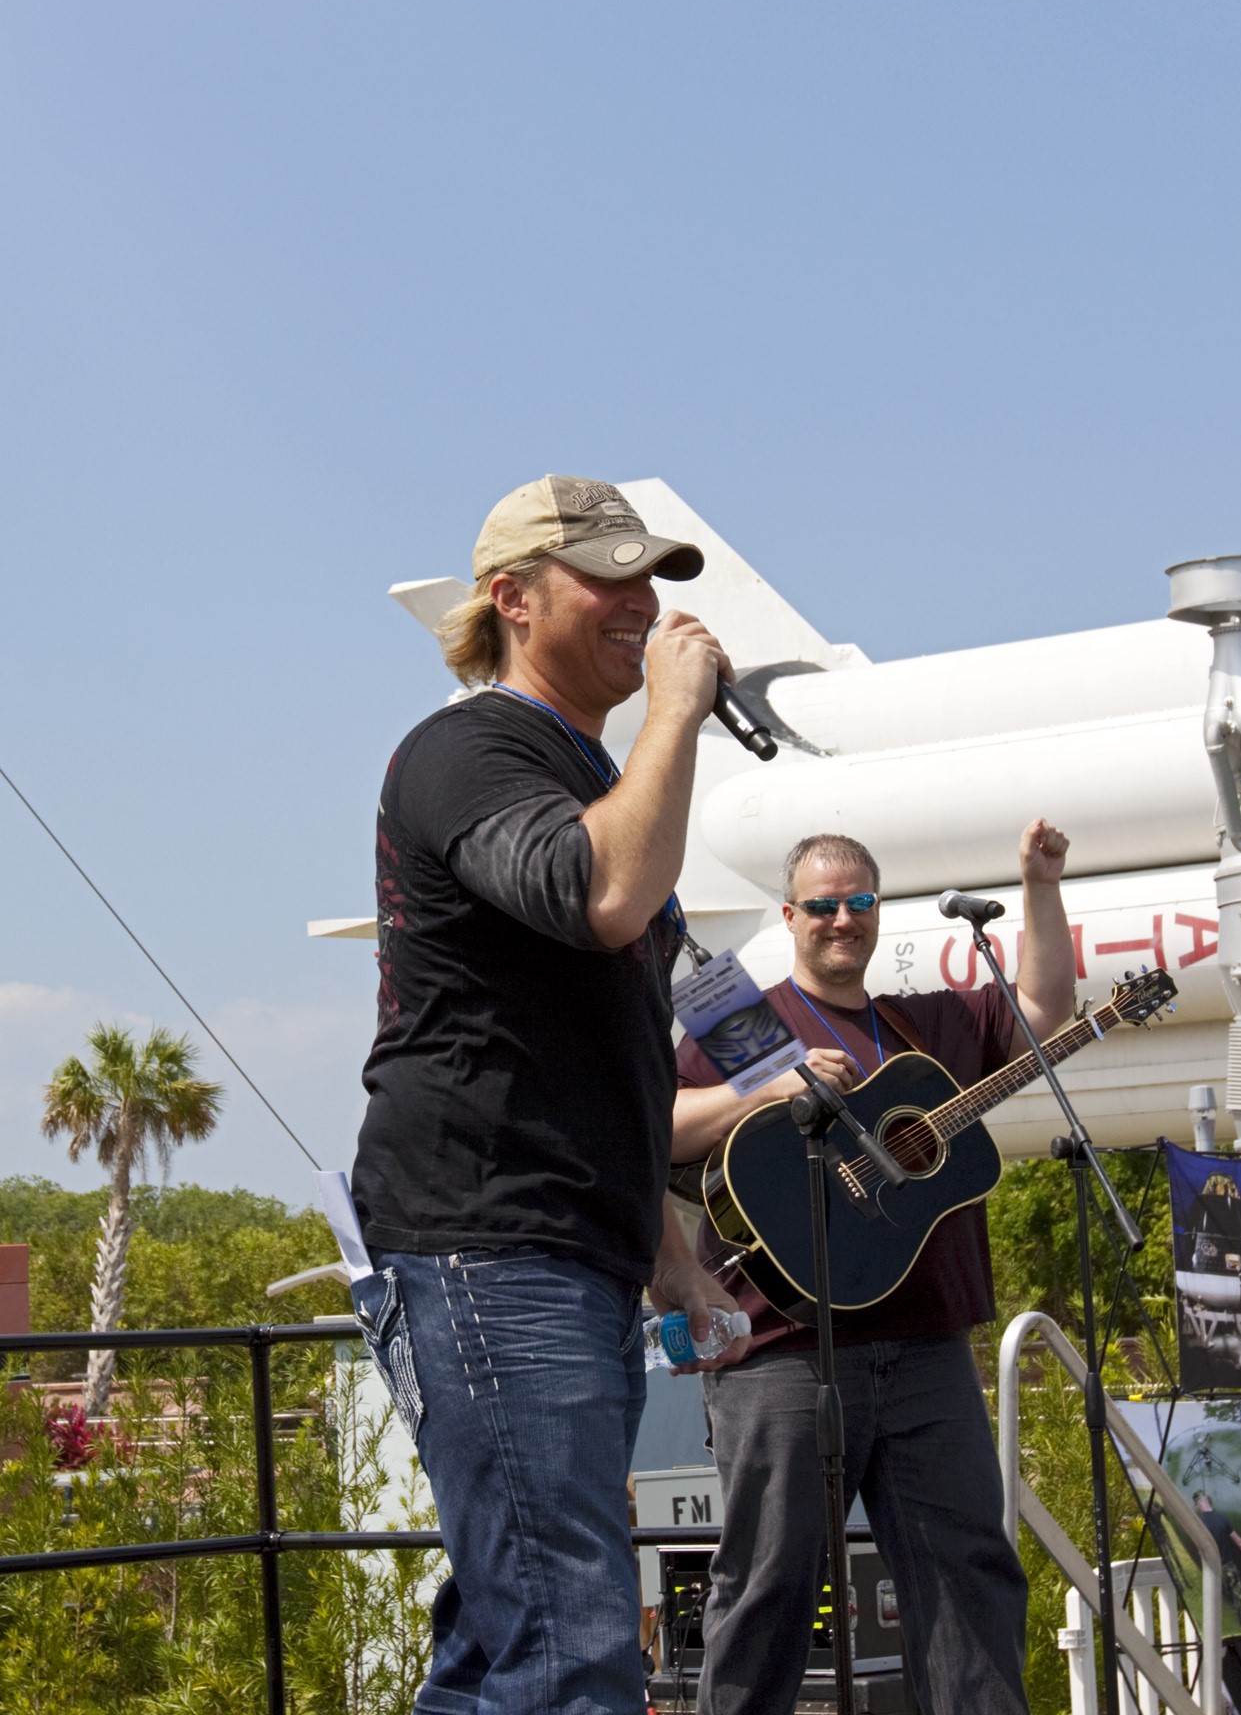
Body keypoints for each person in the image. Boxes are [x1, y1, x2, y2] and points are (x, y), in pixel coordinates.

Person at [349, 475, 748, 1714]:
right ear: (512, 598)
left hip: (561, 1251)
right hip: (488, 1247)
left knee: (502, 1638)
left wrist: (671, 1258)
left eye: (652, 580)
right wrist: (673, 712)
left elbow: (609, 1059)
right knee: (570, 1645)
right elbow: (603, 896)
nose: (642, 604)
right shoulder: (469, 749)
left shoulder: (583, 771)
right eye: (609, 577)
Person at [668, 821, 1076, 1714]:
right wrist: (765, 1087)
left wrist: (1041, 887)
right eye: (822, 905)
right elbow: (655, 1128)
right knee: (771, 1582)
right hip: (784, 1349)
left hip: (927, 1345)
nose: (842, 919)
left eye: (859, 902)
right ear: (789, 917)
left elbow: (1043, 1017)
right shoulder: (745, 1023)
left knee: (970, 1573)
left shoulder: (924, 1025)